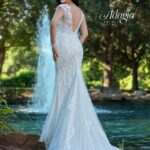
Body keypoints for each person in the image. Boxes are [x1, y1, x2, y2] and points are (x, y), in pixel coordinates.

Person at [39, 0, 121, 150]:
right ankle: (74, 128)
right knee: (75, 82)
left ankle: (60, 131)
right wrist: (76, 43)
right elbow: (85, 33)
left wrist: (53, 45)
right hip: (76, 47)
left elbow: (53, 24)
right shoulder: (80, 12)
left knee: (62, 85)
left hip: (63, 46)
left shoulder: (62, 7)